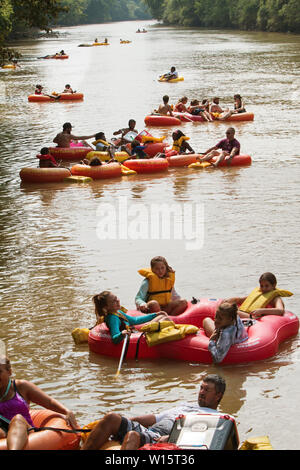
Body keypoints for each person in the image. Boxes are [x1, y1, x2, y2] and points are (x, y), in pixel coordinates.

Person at [81, 374, 226, 450]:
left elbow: (203, 437)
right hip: (151, 430)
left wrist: (171, 437)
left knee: (132, 436)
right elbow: (154, 418)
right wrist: (127, 420)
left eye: (207, 390)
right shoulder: (185, 406)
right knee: (112, 418)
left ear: (218, 396)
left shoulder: (217, 418)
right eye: (201, 388)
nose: (201, 392)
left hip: (164, 438)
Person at [0, 355, 78, 450]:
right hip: (2, 435)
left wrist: (66, 411)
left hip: (25, 431)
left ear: (9, 372)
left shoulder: (21, 387)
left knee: (18, 419)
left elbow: (49, 402)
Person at [92, 291, 170, 345]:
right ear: (106, 307)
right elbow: (115, 338)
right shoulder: (113, 318)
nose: (118, 301)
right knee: (165, 319)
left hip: (136, 333)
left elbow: (134, 320)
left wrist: (154, 315)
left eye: (116, 298)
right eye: (113, 301)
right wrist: (121, 334)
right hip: (137, 337)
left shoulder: (118, 312)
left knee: (161, 316)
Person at [226, 272, 293, 319]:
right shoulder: (259, 294)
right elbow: (241, 300)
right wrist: (230, 300)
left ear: (274, 285)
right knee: (227, 308)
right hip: (246, 314)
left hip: (255, 318)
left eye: (267, 286)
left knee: (232, 312)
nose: (264, 288)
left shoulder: (276, 298)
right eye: (261, 286)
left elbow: (280, 310)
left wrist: (262, 310)